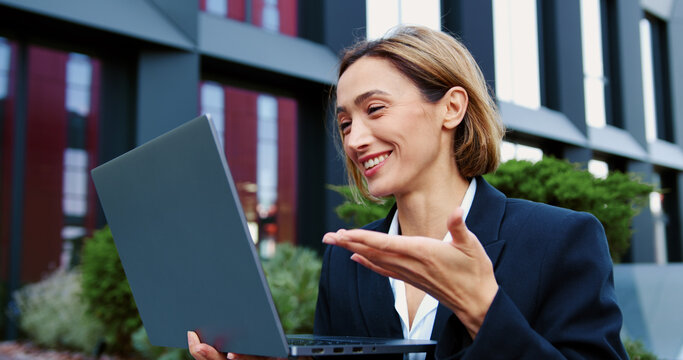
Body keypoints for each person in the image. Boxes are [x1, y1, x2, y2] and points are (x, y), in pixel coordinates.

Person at [189, 25, 628, 360]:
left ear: (452, 108)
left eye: (375, 109)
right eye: (345, 124)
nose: (355, 139)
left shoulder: (560, 240)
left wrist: (483, 309)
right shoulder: (347, 262)